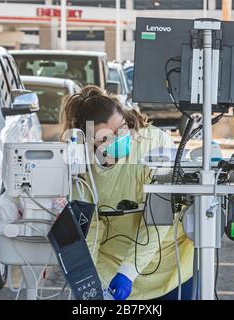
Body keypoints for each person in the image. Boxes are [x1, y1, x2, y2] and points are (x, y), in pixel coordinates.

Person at [60, 85, 194, 300]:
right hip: (112, 267)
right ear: (87, 140)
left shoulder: (153, 145)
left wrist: (128, 273)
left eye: (121, 128)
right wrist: (88, 280)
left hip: (170, 264)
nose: (119, 138)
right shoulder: (82, 171)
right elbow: (91, 229)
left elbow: (159, 218)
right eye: (105, 137)